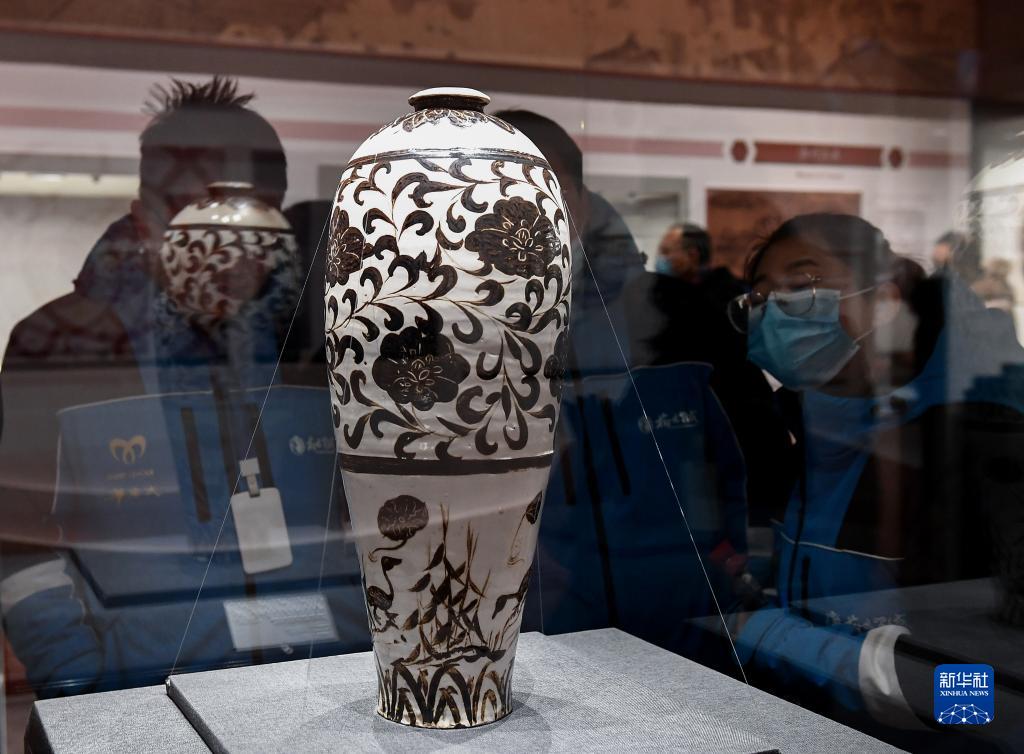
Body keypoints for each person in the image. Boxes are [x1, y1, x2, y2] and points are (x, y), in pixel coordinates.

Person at [0, 77, 366, 701]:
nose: (225, 244)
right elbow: (17, 541)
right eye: (194, 213)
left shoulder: (321, 343)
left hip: (327, 684)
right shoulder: (64, 342)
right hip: (142, 696)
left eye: (251, 217)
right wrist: (80, 681)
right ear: (145, 216)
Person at [728, 213, 1024, 749]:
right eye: (761, 297)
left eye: (804, 284)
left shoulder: (975, 441)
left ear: (885, 300)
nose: (774, 311)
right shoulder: (806, 430)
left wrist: (771, 636)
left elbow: (988, 698)